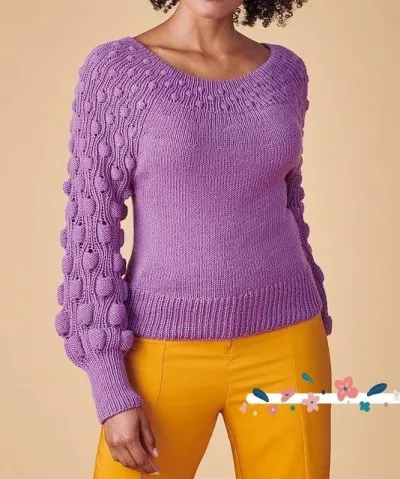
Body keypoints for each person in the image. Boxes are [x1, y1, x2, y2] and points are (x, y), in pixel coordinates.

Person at [55, 0, 333, 477]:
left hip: (287, 341)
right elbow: (90, 232)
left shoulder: (286, 73)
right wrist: (108, 384)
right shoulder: (116, 73)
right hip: (162, 347)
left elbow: (289, 200)